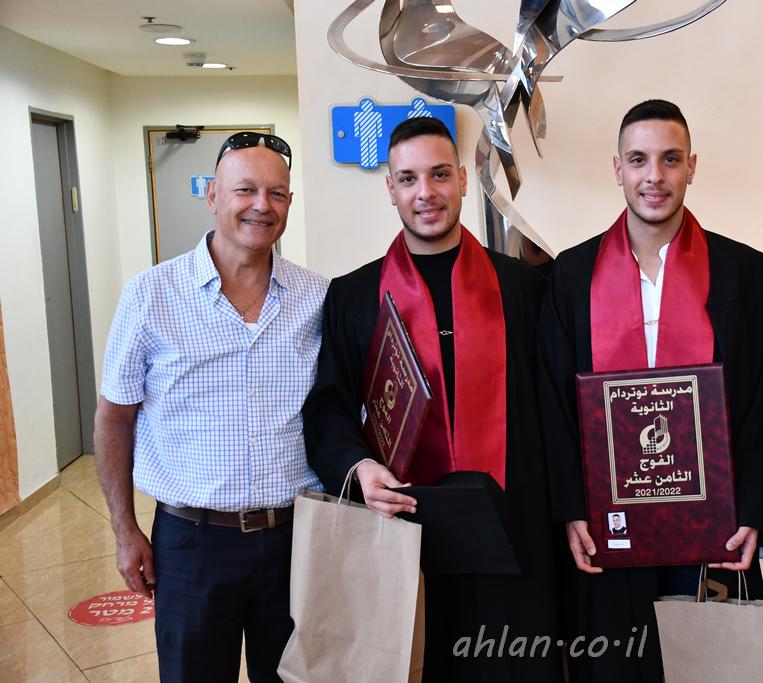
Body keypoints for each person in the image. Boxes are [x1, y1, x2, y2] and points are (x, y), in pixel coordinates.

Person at [537, 99, 763, 682]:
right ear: (618, 169)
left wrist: (753, 507)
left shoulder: (744, 271)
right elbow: (554, 400)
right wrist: (571, 509)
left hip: (714, 521)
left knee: (712, 665)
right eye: (639, 160)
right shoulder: (572, 275)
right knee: (618, 664)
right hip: (608, 520)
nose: (654, 176)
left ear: (691, 167)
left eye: (670, 159)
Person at [302, 117, 562, 683]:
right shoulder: (354, 297)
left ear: (463, 180)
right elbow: (328, 409)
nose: (426, 193)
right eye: (409, 178)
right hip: (402, 529)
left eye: (440, 175)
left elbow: (557, 410)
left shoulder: (524, 288)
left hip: (514, 529)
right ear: (390, 188)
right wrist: (358, 466)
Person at [94, 132, 327, 683]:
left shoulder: (317, 298)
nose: (261, 205)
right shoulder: (150, 295)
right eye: (245, 189)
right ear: (213, 196)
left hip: (294, 538)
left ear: (290, 202)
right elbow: (114, 418)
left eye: (277, 193)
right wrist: (125, 530)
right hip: (192, 542)